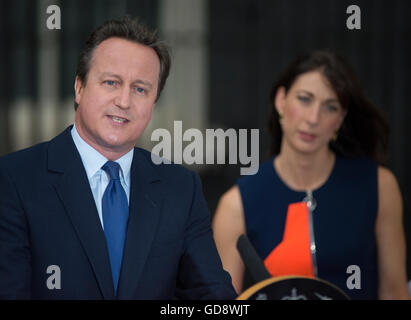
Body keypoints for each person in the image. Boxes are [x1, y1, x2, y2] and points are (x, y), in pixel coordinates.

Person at [0, 16, 236, 300]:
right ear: (79, 88)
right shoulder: (15, 180)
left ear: (153, 103)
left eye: (140, 89)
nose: (124, 101)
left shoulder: (180, 188)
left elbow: (212, 296)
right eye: (111, 82)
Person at [213, 50, 410, 299]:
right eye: (305, 99)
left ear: (340, 119)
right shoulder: (236, 205)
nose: (314, 118)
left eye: (330, 106)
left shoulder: (379, 186)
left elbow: (394, 291)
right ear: (281, 101)